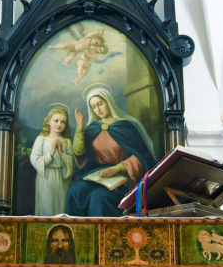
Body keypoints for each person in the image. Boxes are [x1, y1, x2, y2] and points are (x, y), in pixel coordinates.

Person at [64, 85, 158, 217]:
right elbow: (79, 153)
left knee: (99, 196)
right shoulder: (93, 129)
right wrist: (80, 128)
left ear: (108, 101)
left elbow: (141, 157)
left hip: (124, 179)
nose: (98, 109)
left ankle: (99, 230)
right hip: (99, 176)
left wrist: (117, 168)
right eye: (94, 107)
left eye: (100, 104)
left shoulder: (125, 127)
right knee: (75, 189)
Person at [29, 105, 74, 215]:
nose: (59, 124)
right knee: (47, 207)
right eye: (56, 121)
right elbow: (34, 159)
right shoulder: (41, 139)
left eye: (63, 122)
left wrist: (62, 153)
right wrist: (50, 154)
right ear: (48, 121)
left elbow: (71, 162)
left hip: (63, 177)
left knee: (62, 206)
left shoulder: (67, 142)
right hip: (46, 177)